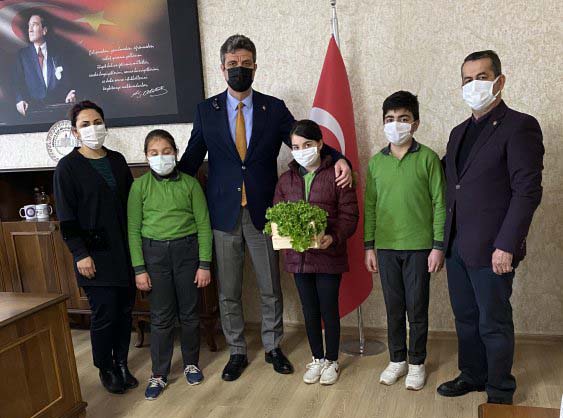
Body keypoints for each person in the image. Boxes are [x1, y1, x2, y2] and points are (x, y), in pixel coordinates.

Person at [178, 34, 353, 382]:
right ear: (222, 68)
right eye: (232, 64)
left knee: (270, 285)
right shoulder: (206, 111)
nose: (239, 69)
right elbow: (192, 158)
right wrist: (163, 181)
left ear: (255, 67)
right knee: (229, 291)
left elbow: (304, 139)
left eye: (245, 63)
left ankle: (273, 347)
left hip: (265, 213)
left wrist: (340, 158)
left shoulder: (273, 108)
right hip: (223, 213)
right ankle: (237, 351)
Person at [436, 50, 544, 405]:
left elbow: (527, 192)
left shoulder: (519, 126)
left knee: (493, 322)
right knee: (466, 318)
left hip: (494, 247)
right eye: (467, 80)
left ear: (500, 81)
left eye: (481, 77)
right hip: (456, 245)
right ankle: (472, 374)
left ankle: (499, 390)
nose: (474, 85)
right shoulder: (458, 132)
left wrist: (507, 245)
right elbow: (448, 179)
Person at [53, 100, 137, 394]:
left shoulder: (117, 160)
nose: (93, 128)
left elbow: (131, 204)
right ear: (75, 132)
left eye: (97, 122)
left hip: (123, 251)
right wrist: (80, 254)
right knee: (105, 312)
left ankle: (122, 363)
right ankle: (106, 367)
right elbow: (67, 218)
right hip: (93, 255)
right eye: (85, 124)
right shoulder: (67, 167)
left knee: (125, 311)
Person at [364, 91, 446, 391]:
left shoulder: (428, 159)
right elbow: (370, 206)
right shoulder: (376, 163)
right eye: (390, 119)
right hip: (386, 248)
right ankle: (397, 359)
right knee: (394, 307)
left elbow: (440, 203)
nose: (396, 124)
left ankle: (416, 362)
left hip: (420, 248)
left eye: (403, 119)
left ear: (415, 123)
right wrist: (369, 246)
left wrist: (438, 246)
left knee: (417, 308)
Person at [127, 129, 212, 400]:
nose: (161, 157)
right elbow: (133, 230)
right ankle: (159, 373)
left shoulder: (190, 184)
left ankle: (191, 363)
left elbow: (203, 225)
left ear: (175, 153)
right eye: (154, 153)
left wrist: (204, 264)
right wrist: (139, 269)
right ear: (146, 156)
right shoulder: (139, 186)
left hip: (187, 253)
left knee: (189, 313)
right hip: (154, 256)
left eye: (166, 152)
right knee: (161, 317)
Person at [273, 120, 358, 385]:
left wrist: (333, 237)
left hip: (328, 256)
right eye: (296, 147)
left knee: (328, 309)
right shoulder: (285, 180)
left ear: (320, 144)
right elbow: (277, 214)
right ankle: (317, 358)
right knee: (309, 310)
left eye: (307, 145)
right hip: (298, 259)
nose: (301, 151)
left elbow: (350, 215)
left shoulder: (338, 174)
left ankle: (332, 360)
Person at [13, 11, 76, 117]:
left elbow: (69, 80)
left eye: (34, 25)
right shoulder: (22, 55)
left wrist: (71, 93)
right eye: (29, 26)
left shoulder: (59, 53)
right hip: (32, 112)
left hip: (59, 110)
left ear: (44, 30)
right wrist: (19, 100)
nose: (30, 30)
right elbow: (16, 83)